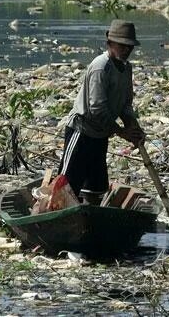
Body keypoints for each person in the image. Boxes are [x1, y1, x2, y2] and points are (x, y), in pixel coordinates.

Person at [58, 19, 146, 205]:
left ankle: (91, 221)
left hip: (101, 135)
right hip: (82, 131)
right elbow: (97, 108)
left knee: (96, 188)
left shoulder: (126, 68)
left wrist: (133, 126)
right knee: (66, 186)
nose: (126, 50)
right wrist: (121, 132)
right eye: (122, 46)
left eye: (129, 46)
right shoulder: (101, 67)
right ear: (110, 44)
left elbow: (125, 104)